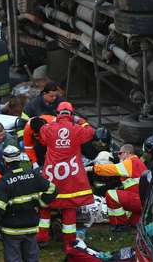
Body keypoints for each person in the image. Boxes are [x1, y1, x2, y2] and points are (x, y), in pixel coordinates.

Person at [37, 102, 94, 245]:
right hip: (71, 176)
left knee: (45, 205)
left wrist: (54, 122)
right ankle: (69, 242)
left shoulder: (49, 129)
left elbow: (42, 134)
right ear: (71, 114)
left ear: (58, 113)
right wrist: (81, 121)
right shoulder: (77, 129)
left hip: (52, 174)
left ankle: (42, 238)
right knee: (69, 207)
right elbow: (90, 132)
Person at [0, 145, 57, 262]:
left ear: (5, 162)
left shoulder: (3, 182)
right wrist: (40, 203)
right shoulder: (33, 175)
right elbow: (53, 189)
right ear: (20, 159)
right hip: (31, 226)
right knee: (32, 258)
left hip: (10, 230)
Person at [90, 144, 147, 230]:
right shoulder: (138, 163)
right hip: (143, 201)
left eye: (120, 153)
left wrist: (92, 168)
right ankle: (124, 222)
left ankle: (120, 224)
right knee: (133, 223)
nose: (118, 156)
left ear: (126, 153)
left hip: (138, 200)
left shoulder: (131, 162)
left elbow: (111, 169)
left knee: (111, 194)